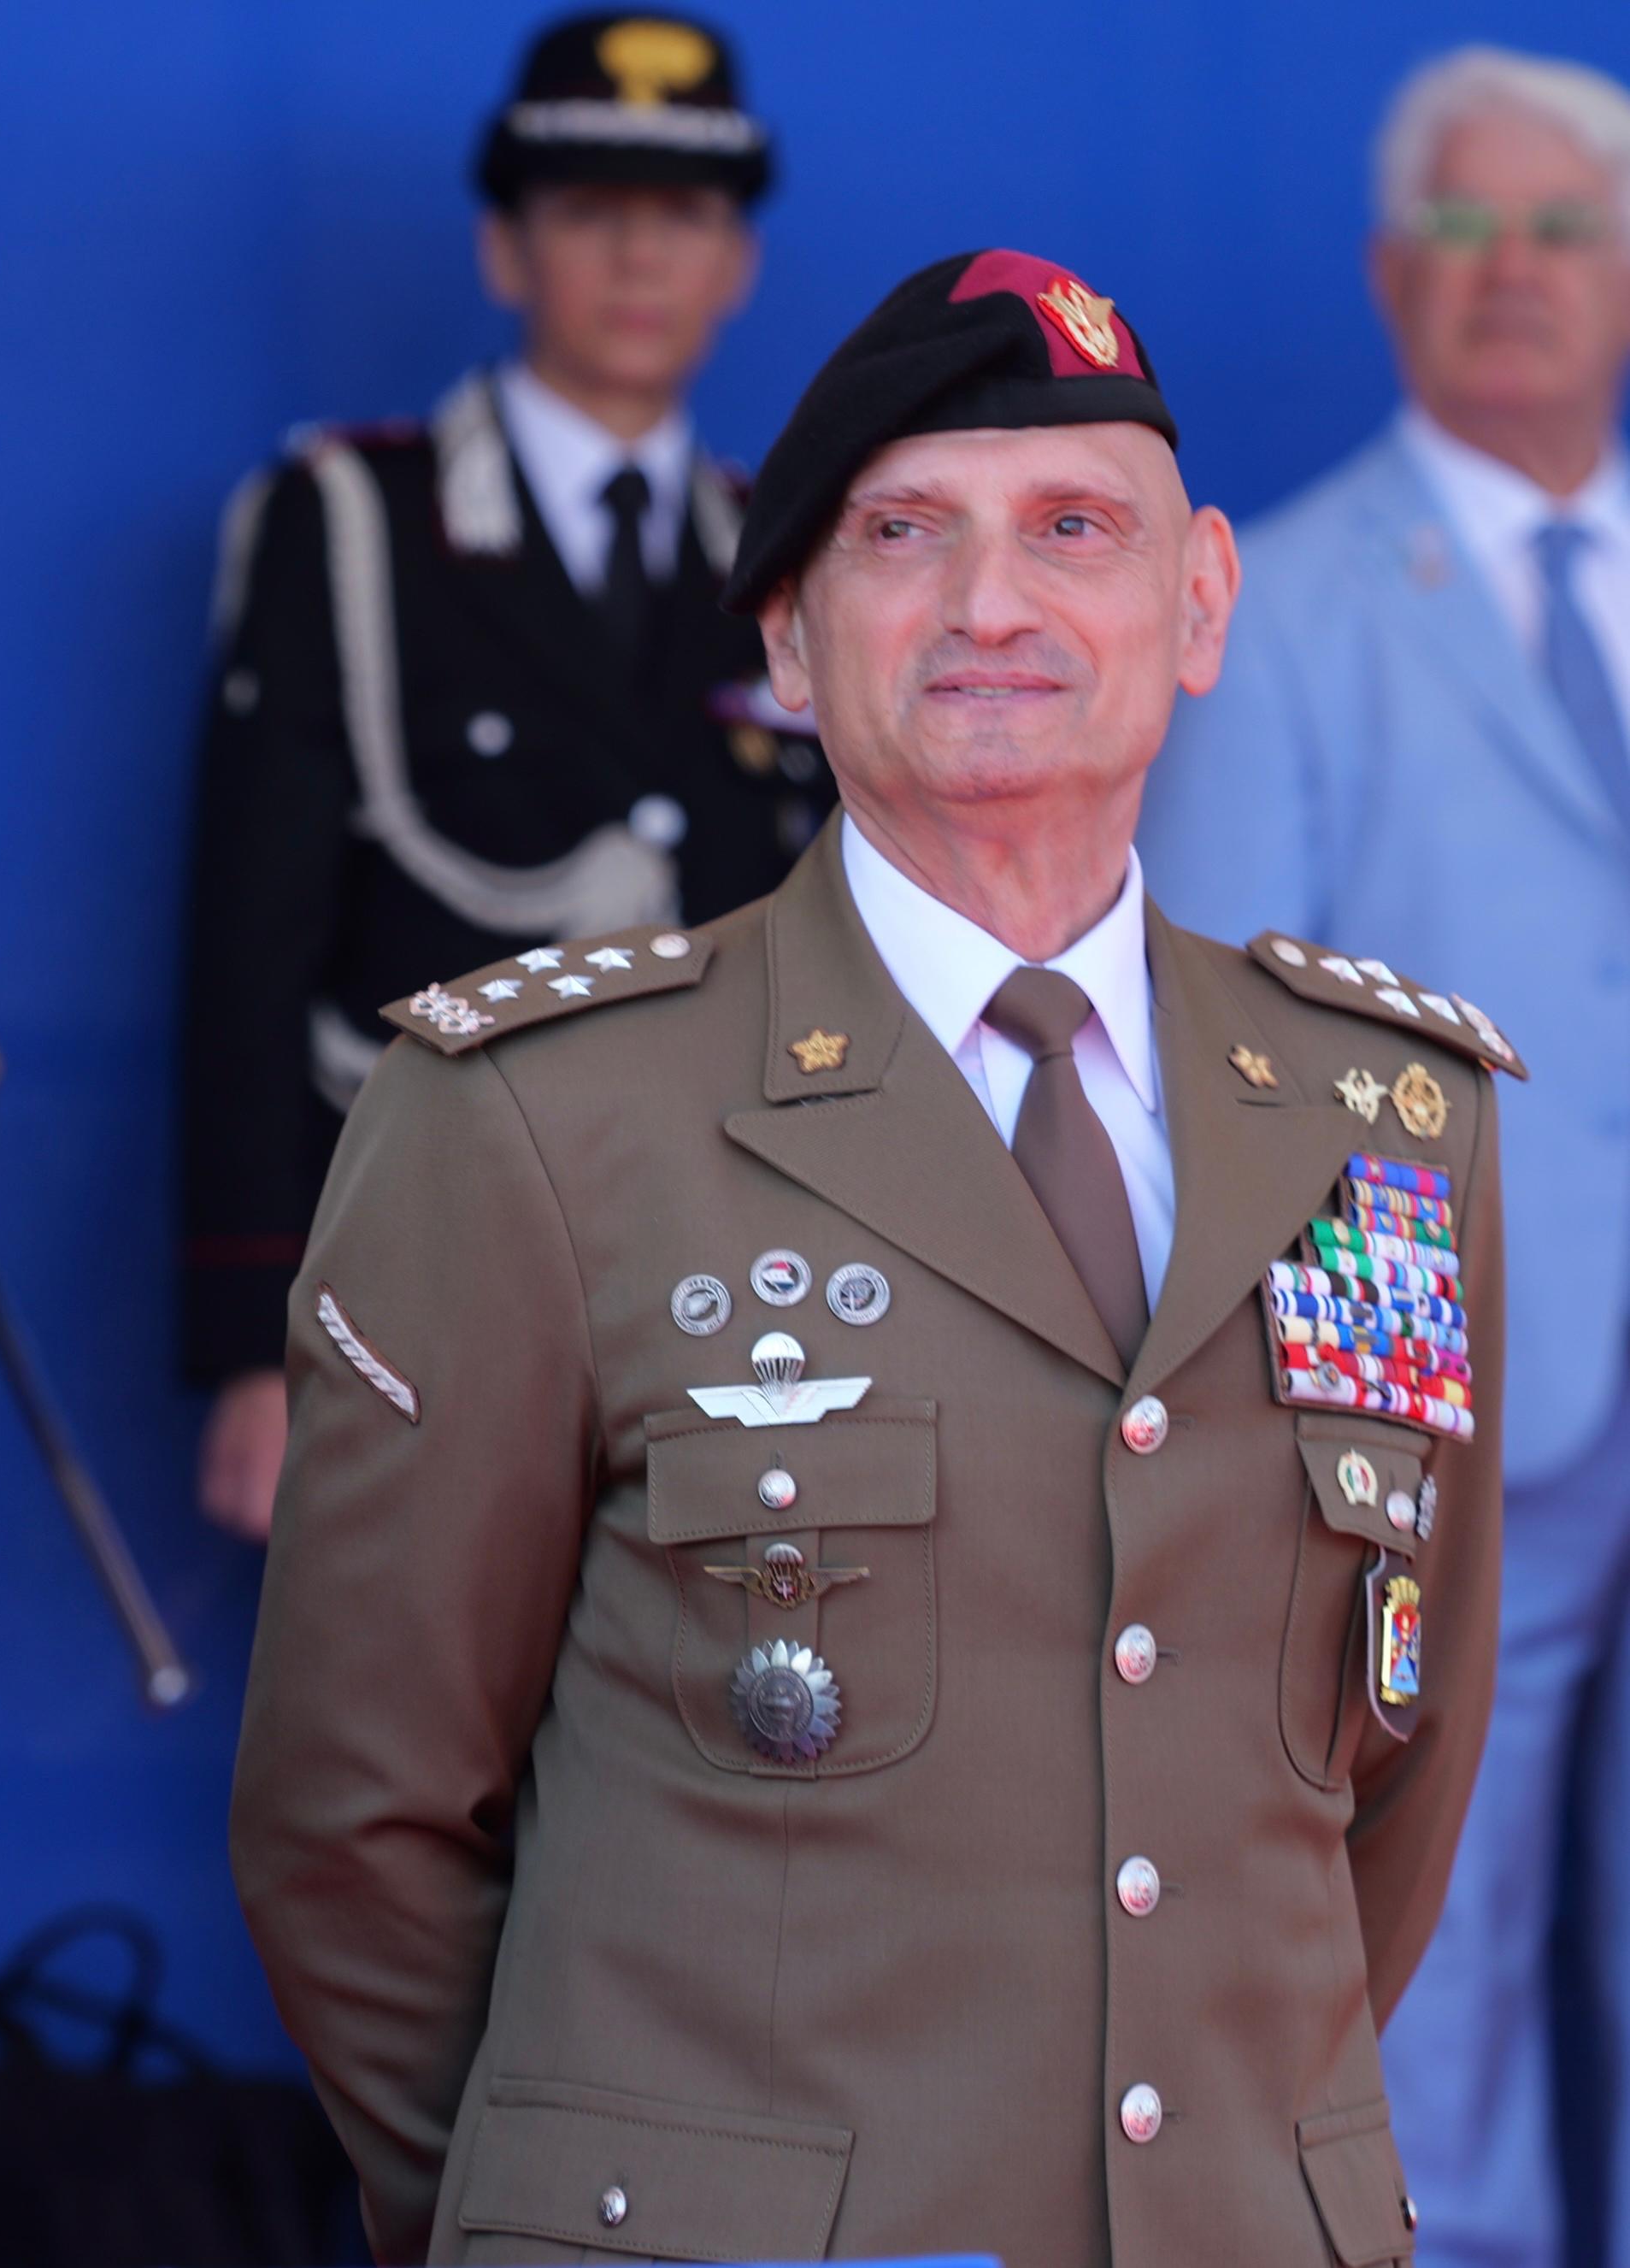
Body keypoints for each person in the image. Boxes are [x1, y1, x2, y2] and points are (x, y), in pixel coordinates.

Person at [234, 247, 1513, 2264]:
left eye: (1075, 528)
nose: (992, 602)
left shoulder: (1392, 1124)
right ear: (789, 640)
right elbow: (356, 1819)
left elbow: (1391, 1771)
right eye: (905, 533)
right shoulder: (541, 1119)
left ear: (1200, 607)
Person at [1140, 48, 1630, 2268]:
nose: (1508, 271)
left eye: (1559, 228)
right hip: (1457, 1384)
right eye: (1460, 227)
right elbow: (1244, 1053)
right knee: (1442, 1907)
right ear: (1382, 274)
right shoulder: (1287, 601)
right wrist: (1359, 1421)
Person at [178, 10, 825, 1543]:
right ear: (503, 247)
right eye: (590, 209)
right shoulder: (347, 523)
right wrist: (255, 1345)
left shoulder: (786, 561)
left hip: (722, 1296)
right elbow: (247, 957)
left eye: (683, 214)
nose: (639, 257)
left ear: (737, 262)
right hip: (417, 1278)